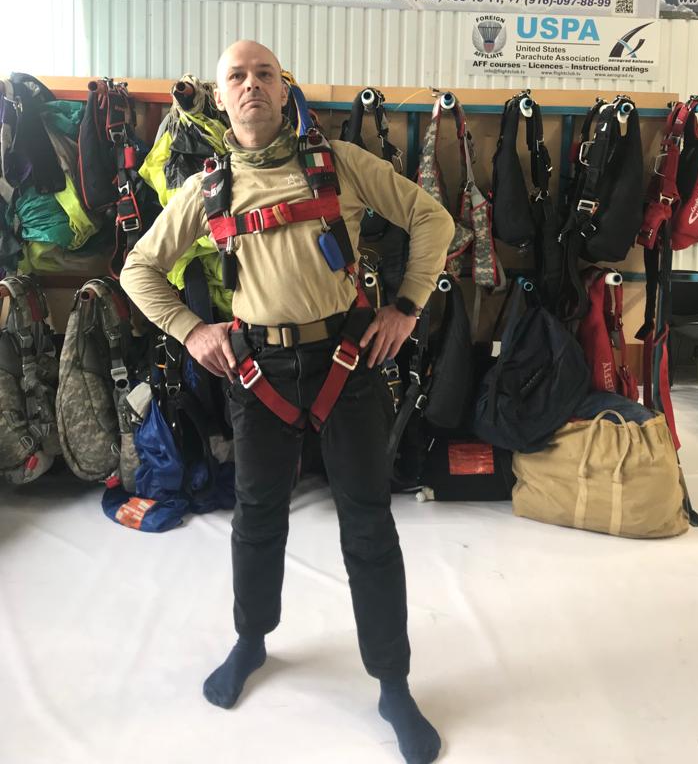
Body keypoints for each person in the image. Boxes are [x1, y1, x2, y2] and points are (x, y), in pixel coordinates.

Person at [120, 41, 454, 764]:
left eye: (264, 74)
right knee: (257, 517)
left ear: (282, 88)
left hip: (346, 362)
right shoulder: (207, 190)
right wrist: (191, 330)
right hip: (258, 372)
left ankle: (392, 682)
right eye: (236, 77)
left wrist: (405, 307)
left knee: (369, 523)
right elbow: (138, 268)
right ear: (220, 99)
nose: (251, 85)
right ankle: (251, 640)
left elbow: (433, 219)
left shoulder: (341, 164)